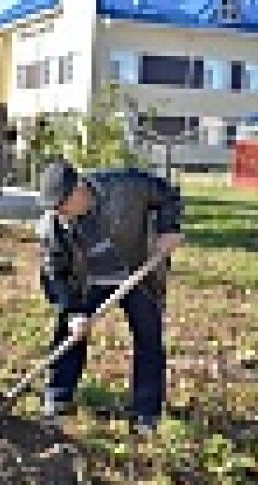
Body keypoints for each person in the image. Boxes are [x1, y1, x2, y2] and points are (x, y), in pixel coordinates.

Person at [36, 158, 184, 434]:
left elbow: (168, 195)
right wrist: (74, 312)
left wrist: (169, 228)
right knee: (69, 334)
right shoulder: (53, 225)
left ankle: (146, 411)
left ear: (79, 189)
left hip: (138, 271)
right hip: (88, 280)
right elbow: (56, 273)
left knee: (148, 337)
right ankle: (58, 395)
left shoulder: (125, 186)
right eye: (55, 208)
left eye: (63, 206)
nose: (60, 214)